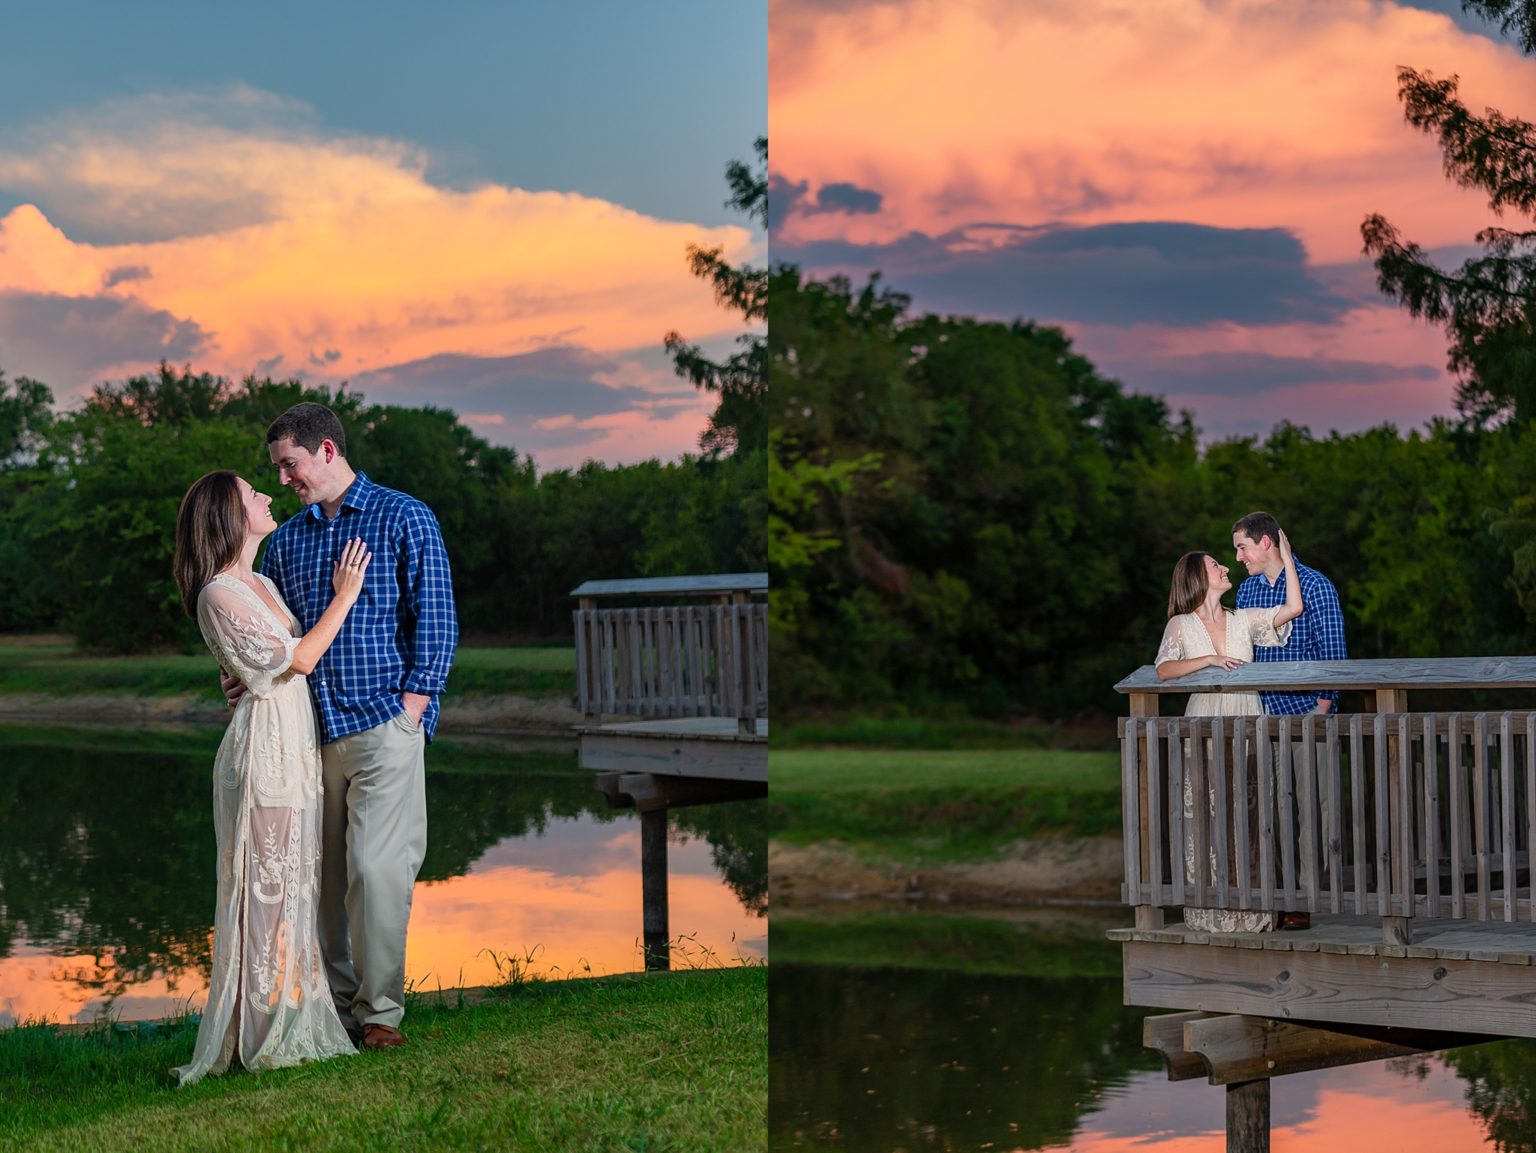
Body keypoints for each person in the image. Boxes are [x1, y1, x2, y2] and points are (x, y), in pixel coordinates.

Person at [222, 402, 458, 1050]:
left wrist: (412, 713)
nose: (286, 478)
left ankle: (380, 1014)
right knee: (319, 880)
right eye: (277, 469)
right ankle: (338, 1005)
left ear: (326, 451)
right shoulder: (290, 540)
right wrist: (245, 670)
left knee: (376, 869)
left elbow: (434, 624)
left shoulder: (404, 517)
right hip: (307, 738)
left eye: (289, 464)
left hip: (385, 726)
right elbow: (283, 638)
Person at [171, 470, 371, 1084]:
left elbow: (269, 659)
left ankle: (284, 1018)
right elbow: (300, 657)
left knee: (292, 890)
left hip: (294, 744)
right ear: (230, 515)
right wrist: (345, 593)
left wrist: (243, 669)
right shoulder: (217, 593)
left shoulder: (258, 581)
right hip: (262, 754)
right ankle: (258, 1038)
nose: (266, 497)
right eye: (254, 493)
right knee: (263, 892)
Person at [1154, 530, 1303, 934]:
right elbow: (1164, 670)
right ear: (1200, 580)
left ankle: (1251, 912)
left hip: (1246, 720)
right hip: (1203, 725)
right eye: (1215, 566)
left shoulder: (1244, 619)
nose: (1225, 567)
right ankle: (1211, 910)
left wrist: (1287, 559)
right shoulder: (1181, 626)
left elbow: (1293, 607)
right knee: (1206, 817)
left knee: (1250, 818)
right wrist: (1208, 660)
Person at [1232, 510, 1347, 931]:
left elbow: (1333, 652)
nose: (1240, 557)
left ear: (1265, 543)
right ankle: (1280, 898)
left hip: (1309, 717)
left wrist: (1322, 708)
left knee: (1313, 812)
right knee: (1273, 814)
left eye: (1242, 547)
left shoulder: (1315, 585)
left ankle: (1307, 899)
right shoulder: (1245, 593)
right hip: (1265, 719)